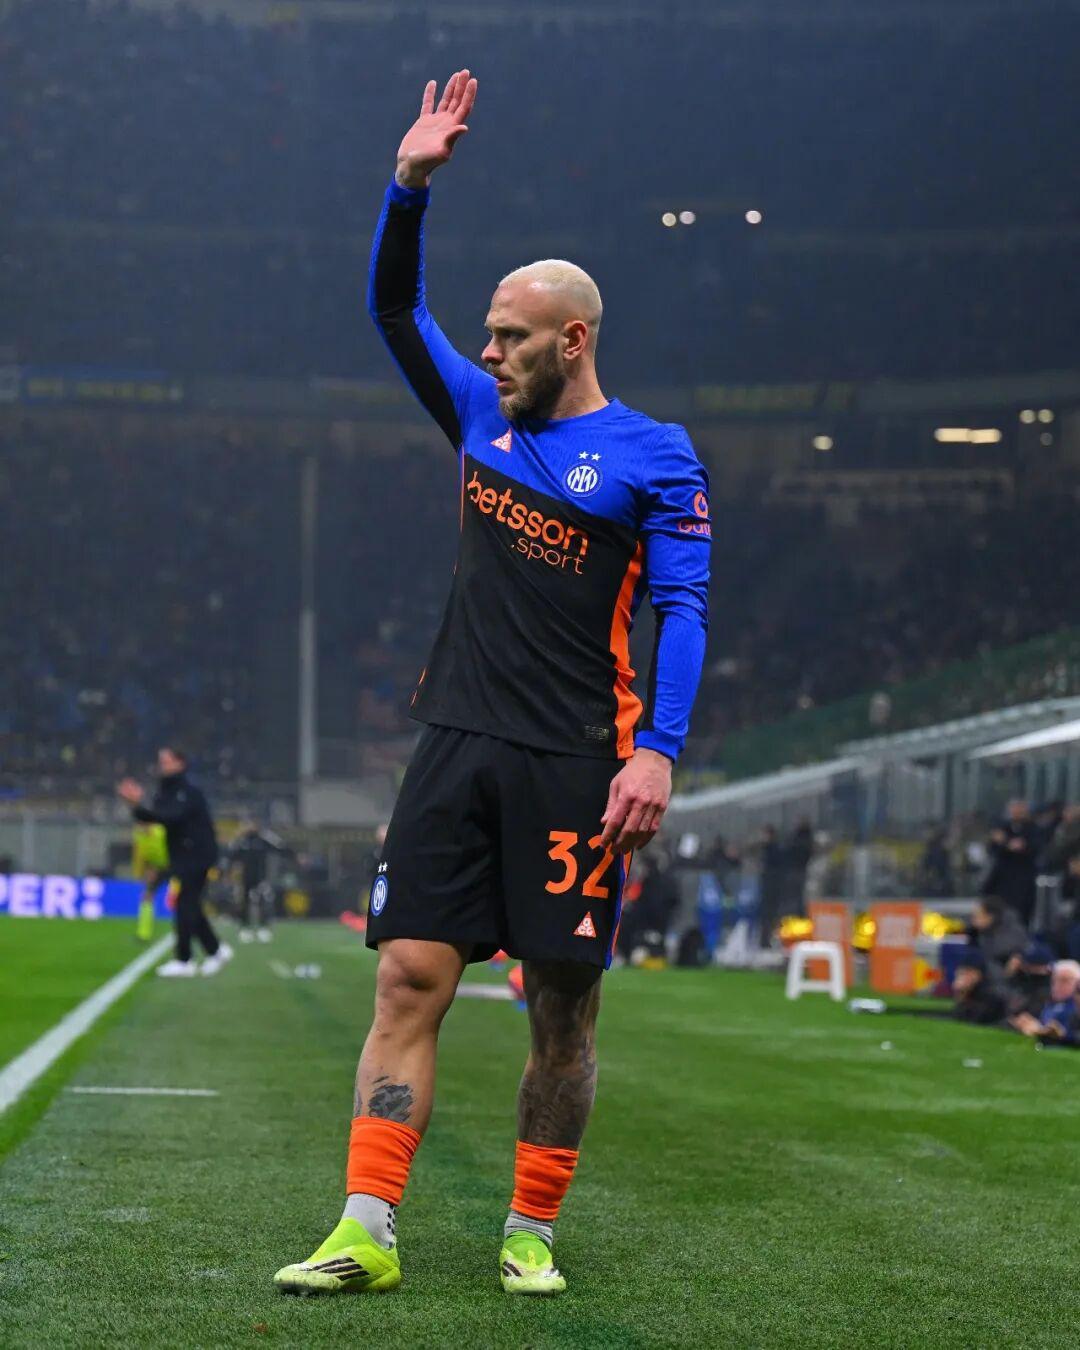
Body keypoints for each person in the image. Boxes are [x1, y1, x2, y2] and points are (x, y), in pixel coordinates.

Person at [274, 70, 710, 1299]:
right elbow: (392, 309)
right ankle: (367, 1227)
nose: (488, 351)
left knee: (560, 1011)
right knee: (407, 977)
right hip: (455, 742)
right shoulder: (477, 415)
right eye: (488, 334)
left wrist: (658, 749)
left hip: (579, 759)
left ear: (573, 340)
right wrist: (407, 189)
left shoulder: (656, 457)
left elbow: (682, 610)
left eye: (511, 335)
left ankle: (529, 1231)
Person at [117, 747, 231, 977]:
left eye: (166, 761)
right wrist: (135, 806)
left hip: (197, 854)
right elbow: (155, 819)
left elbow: (171, 818)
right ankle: (215, 950)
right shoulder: (165, 792)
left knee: (184, 903)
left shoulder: (187, 792)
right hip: (181, 855)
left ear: (180, 763)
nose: (162, 765)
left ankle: (184, 959)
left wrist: (139, 806)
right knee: (190, 904)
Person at [224, 818, 292, 943]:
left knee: (263, 902)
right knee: (244, 903)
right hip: (245, 878)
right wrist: (228, 873)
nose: (250, 827)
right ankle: (244, 928)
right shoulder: (242, 841)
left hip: (261, 877)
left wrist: (293, 856)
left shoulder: (263, 839)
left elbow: (281, 848)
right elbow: (231, 856)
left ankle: (263, 928)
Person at [981, 800, 1038, 927]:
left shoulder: (1033, 829)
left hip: (1023, 881)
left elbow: (1031, 849)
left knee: (1021, 916)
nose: (1016, 812)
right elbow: (994, 848)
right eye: (1014, 808)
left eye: (1020, 809)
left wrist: (1006, 842)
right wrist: (1007, 844)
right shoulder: (1002, 827)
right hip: (1002, 881)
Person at [1009, 959, 1080, 1043]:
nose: (1057, 985)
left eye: (1064, 981)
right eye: (1054, 980)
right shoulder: (1043, 1000)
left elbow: (1069, 1033)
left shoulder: (1075, 1006)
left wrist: (1042, 1030)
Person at [967, 895, 1027, 980]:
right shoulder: (978, 933)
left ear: (990, 917)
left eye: (977, 917)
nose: (972, 921)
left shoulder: (1010, 939)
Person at [131, 818, 169, 944]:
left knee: (183, 899)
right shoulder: (139, 835)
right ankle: (143, 934)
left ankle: (188, 931)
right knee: (147, 896)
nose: (140, 827)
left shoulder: (162, 832)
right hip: (156, 868)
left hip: (173, 865)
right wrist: (145, 870)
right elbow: (140, 854)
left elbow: (174, 848)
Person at [951, 949, 1008, 1026]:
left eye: (966, 973)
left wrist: (964, 992)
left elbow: (975, 1020)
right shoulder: (967, 994)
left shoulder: (990, 997)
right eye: (960, 974)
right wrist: (961, 994)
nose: (962, 977)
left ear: (977, 974)